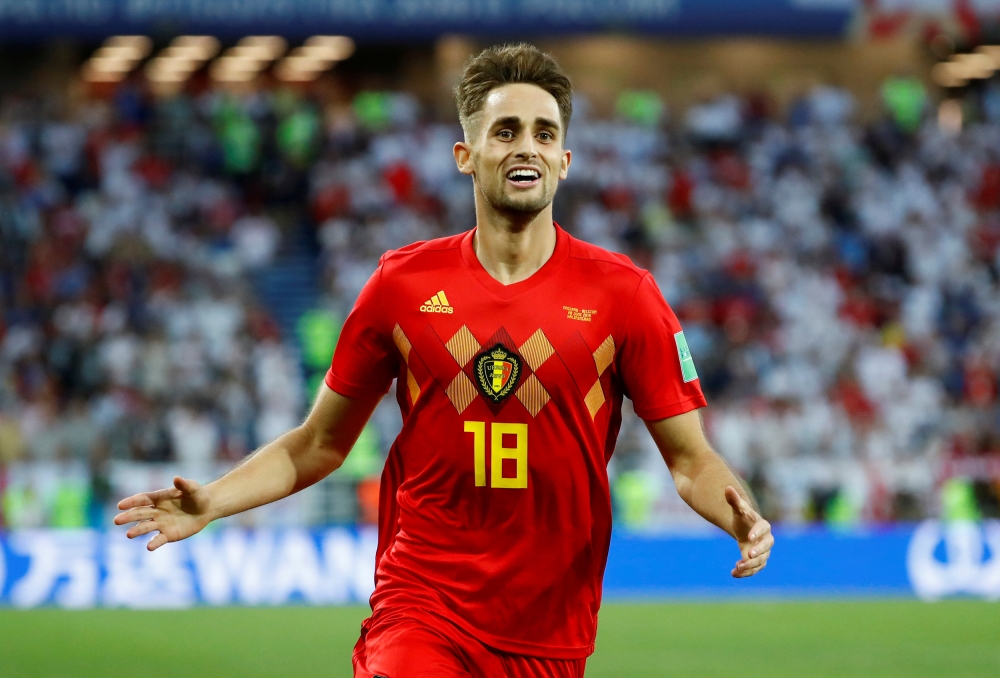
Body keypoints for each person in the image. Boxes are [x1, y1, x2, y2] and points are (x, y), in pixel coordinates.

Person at [114, 43, 773, 678]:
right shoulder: (400, 286)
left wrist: (738, 514)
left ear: (565, 161)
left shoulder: (625, 295)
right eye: (506, 130)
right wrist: (214, 501)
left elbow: (690, 460)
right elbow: (317, 443)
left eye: (545, 134)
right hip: (421, 604)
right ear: (467, 154)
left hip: (549, 627)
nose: (527, 147)